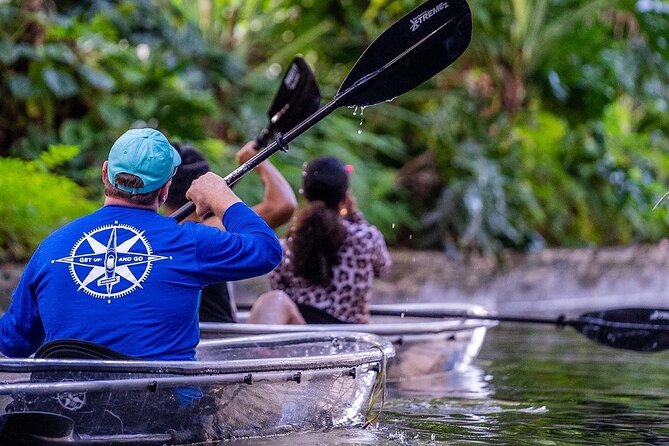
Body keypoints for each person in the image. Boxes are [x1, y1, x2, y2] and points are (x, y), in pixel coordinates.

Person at [0, 127, 282, 360]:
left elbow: (14, 343)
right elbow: (266, 249)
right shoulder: (189, 242)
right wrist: (222, 197)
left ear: (104, 173)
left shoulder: (51, 248)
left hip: (69, 409)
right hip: (164, 413)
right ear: (165, 189)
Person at [162, 140, 297, 322]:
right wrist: (256, 161)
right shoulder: (211, 232)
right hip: (220, 344)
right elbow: (284, 205)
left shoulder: (153, 238)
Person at [248, 155, 392, 324]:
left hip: (301, 339)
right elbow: (383, 268)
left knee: (273, 300)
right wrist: (355, 216)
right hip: (351, 340)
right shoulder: (366, 238)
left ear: (305, 197)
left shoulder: (287, 245)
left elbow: (277, 286)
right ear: (345, 198)